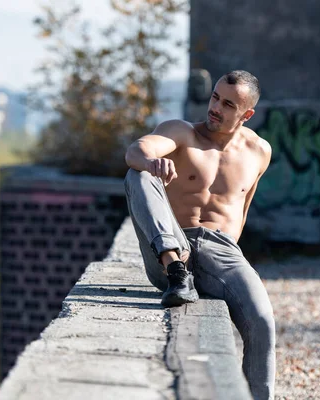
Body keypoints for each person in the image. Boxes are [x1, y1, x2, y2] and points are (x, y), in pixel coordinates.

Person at [123, 70, 275, 399]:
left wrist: (234, 263)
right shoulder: (182, 133)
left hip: (222, 252)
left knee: (262, 322)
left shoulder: (259, 152)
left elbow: (242, 210)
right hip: (171, 249)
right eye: (215, 98)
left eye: (228, 104)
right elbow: (135, 151)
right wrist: (152, 164)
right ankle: (176, 270)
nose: (216, 107)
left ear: (246, 114)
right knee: (137, 176)